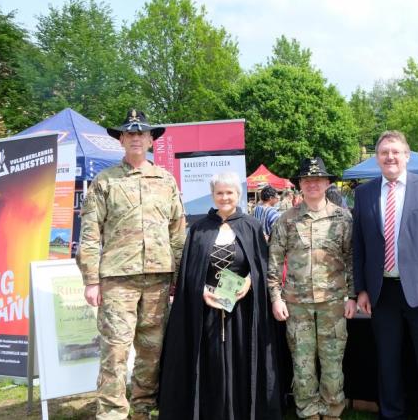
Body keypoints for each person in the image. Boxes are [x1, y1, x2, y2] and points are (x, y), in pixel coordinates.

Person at [77, 109, 185, 419]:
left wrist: (179, 279)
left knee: (152, 352)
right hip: (117, 280)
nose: (136, 138)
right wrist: (91, 280)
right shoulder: (105, 181)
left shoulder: (166, 181)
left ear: (151, 140)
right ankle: (112, 412)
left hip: (158, 280)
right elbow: (90, 235)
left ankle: (142, 409)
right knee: (115, 350)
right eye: (130, 133)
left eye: (142, 133)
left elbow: (178, 233)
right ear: (121, 140)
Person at [158, 172, 281, 419]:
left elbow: (262, 265)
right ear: (213, 195)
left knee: (241, 359)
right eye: (219, 193)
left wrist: (248, 282)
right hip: (207, 308)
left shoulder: (251, 226)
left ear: (238, 194)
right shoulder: (200, 229)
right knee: (210, 359)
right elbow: (189, 270)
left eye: (229, 192)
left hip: (242, 309)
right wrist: (202, 290)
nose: (225, 197)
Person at [352, 130, 418, 420]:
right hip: (381, 292)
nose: (390, 157)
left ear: (407, 156)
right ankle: (391, 414)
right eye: (384, 153)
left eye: (396, 152)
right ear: (377, 158)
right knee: (387, 363)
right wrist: (361, 289)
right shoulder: (364, 193)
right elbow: (359, 245)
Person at [268, 157, 355, 420]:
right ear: (299, 185)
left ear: (328, 183)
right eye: (307, 180)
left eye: (318, 179)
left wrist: (352, 296)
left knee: (332, 362)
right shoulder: (286, 220)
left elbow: (352, 259)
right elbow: (274, 262)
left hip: (333, 302)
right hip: (297, 303)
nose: (312, 184)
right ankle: (307, 412)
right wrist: (275, 297)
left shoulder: (343, 217)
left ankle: (332, 411)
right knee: (302, 362)